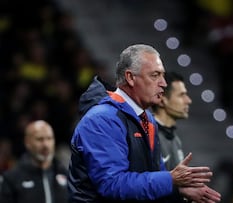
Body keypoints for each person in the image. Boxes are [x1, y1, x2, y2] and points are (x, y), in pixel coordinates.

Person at [68, 44, 221, 203]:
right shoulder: (101, 120)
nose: (163, 83)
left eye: (162, 75)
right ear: (130, 77)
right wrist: (170, 180)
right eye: (155, 75)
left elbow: (152, 176)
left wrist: (178, 189)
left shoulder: (147, 118)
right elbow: (112, 185)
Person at [0, 120, 68, 203]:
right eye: (40, 139)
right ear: (27, 142)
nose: (46, 145)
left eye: (49, 138)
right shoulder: (11, 178)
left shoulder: (65, 173)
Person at [151, 71, 192, 170]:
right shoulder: (147, 136)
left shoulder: (175, 139)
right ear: (161, 100)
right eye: (181, 95)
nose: (188, 100)